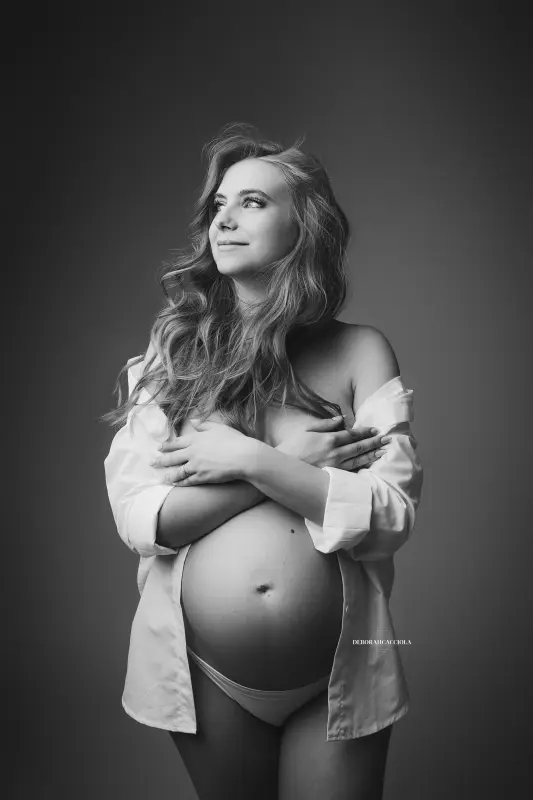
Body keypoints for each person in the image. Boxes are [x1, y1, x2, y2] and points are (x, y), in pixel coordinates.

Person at [102, 122, 423, 800]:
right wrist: (285, 463)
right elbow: (140, 519)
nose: (224, 218)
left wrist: (249, 459)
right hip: (206, 673)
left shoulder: (360, 351)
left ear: (303, 227)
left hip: (341, 668)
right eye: (218, 204)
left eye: (252, 202)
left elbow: (390, 517)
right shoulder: (175, 354)